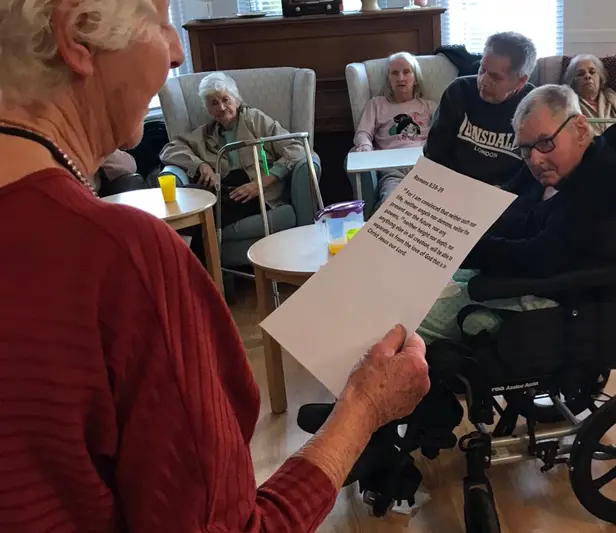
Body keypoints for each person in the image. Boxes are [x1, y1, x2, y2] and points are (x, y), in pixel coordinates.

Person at [0, 2, 429, 533]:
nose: (177, 52)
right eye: (160, 21)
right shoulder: (121, 257)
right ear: (76, 36)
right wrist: (364, 405)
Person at [418, 85, 616, 343]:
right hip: (515, 275)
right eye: (525, 149)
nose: (534, 159)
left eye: (545, 143)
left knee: (404, 321)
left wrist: (468, 247)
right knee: (414, 284)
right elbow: (508, 204)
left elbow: (542, 257)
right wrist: (452, 224)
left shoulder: (602, 182)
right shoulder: (554, 167)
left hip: (549, 300)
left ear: (580, 129)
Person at [160, 71, 319, 229]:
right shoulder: (206, 133)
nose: (221, 107)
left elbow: (296, 148)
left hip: (258, 194)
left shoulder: (255, 120)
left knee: (201, 211)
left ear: (236, 100)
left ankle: (187, 244)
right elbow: (170, 150)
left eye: (225, 99)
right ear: (208, 109)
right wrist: (200, 165)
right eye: (214, 103)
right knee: (187, 198)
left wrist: (259, 184)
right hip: (224, 190)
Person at [424, 32, 536, 191]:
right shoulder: (458, 91)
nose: (483, 81)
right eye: (482, 69)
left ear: (520, 81)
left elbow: (534, 174)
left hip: (505, 195)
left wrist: (504, 190)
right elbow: (435, 153)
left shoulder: (534, 108)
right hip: (451, 187)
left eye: (496, 77)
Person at [354, 51, 437, 203]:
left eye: (406, 72)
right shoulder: (376, 104)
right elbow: (363, 133)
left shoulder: (428, 106)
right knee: (391, 203)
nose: (401, 78)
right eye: (395, 73)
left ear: (415, 78)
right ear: (388, 79)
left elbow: (444, 133)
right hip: (393, 169)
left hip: (425, 165)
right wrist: (365, 147)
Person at [562, 54, 616, 135]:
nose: (587, 76)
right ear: (573, 81)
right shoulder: (569, 103)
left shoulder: (611, 96)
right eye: (580, 74)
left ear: (600, 77)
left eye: (592, 72)